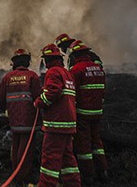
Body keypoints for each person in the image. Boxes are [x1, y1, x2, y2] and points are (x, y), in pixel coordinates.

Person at [34, 44, 80, 187]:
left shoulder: (53, 72)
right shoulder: (67, 73)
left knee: (50, 159)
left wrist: (39, 102)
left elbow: (53, 91)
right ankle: (73, 184)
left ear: (48, 59)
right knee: (68, 160)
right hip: (68, 124)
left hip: (56, 124)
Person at [0, 49, 42, 185]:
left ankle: (15, 173)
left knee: (15, 147)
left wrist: (4, 109)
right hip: (29, 120)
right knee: (26, 151)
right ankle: (22, 178)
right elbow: (39, 97)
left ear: (14, 62)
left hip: (14, 120)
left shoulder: (7, 78)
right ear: (27, 62)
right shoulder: (33, 76)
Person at [68, 40, 108, 185]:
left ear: (75, 55)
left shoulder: (76, 70)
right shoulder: (98, 68)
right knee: (96, 141)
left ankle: (88, 175)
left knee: (83, 144)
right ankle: (103, 170)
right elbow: (102, 90)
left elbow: (72, 92)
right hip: (97, 111)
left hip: (83, 113)